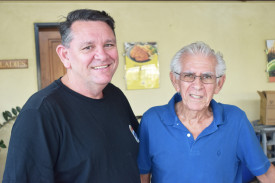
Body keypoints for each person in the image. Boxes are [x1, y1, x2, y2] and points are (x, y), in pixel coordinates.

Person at [3, 9, 140, 183]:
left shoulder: (115, 95)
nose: (102, 55)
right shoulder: (39, 114)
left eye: (109, 44)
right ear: (65, 55)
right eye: (88, 47)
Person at [137, 41, 275, 183]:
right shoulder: (151, 121)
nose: (197, 85)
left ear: (219, 84)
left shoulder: (236, 120)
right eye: (188, 76)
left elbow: (267, 175)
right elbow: (143, 176)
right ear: (175, 81)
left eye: (207, 77)